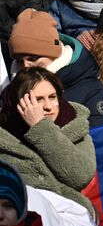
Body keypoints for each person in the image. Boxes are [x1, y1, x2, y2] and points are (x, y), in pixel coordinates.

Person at [0, 66, 96, 214]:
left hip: (71, 215)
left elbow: (79, 177)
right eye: (38, 99)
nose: (48, 106)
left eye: (52, 97)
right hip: (20, 216)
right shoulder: (4, 135)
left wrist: (40, 127)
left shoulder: (75, 126)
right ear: (19, 103)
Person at [7, 7, 103, 125]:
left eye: (33, 58)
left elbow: (99, 134)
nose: (26, 66)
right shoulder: (11, 89)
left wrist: (40, 127)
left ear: (54, 54)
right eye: (19, 61)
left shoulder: (90, 89)